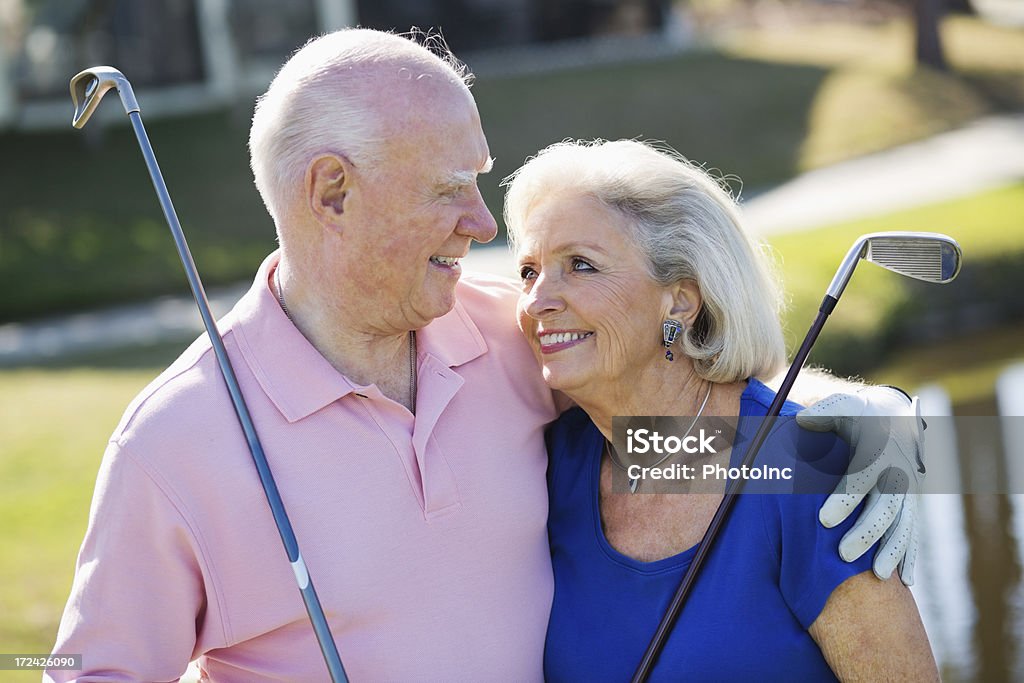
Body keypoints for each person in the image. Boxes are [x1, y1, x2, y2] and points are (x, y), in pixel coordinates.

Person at [49, 29, 924, 681]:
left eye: (479, 180)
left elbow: (694, 423)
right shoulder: (172, 447)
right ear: (332, 191)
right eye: (448, 189)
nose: (482, 222)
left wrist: (856, 414)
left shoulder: (515, 345)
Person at [504, 138, 937, 680]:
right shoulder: (551, 459)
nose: (538, 299)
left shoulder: (809, 471)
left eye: (581, 266)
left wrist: (883, 404)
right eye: (527, 271)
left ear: (681, 300)